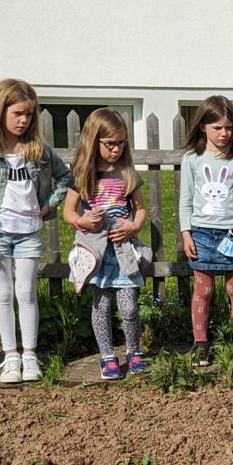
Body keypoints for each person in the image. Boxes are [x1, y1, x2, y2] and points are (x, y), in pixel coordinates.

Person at [0, 79, 70, 384]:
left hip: (28, 233)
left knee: (26, 292)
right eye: (17, 113)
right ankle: (10, 356)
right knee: (3, 293)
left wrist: (48, 204)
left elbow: (65, 177)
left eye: (29, 114)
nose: (23, 120)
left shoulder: (39, 151)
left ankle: (30, 355)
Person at [64, 109, 148, 380]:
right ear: (94, 141)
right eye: (110, 143)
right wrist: (82, 221)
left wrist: (134, 226)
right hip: (97, 252)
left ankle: (134, 350)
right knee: (100, 306)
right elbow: (68, 212)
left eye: (121, 143)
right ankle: (108, 356)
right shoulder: (82, 174)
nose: (116, 149)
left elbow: (141, 209)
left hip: (123, 252)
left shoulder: (127, 174)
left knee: (129, 307)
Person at [181, 96, 233, 365]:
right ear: (203, 126)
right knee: (203, 290)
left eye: (229, 128)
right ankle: (200, 343)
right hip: (201, 233)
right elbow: (186, 199)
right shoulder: (192, 159)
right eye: (218, 128)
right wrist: (186, 233)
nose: (224, 133)